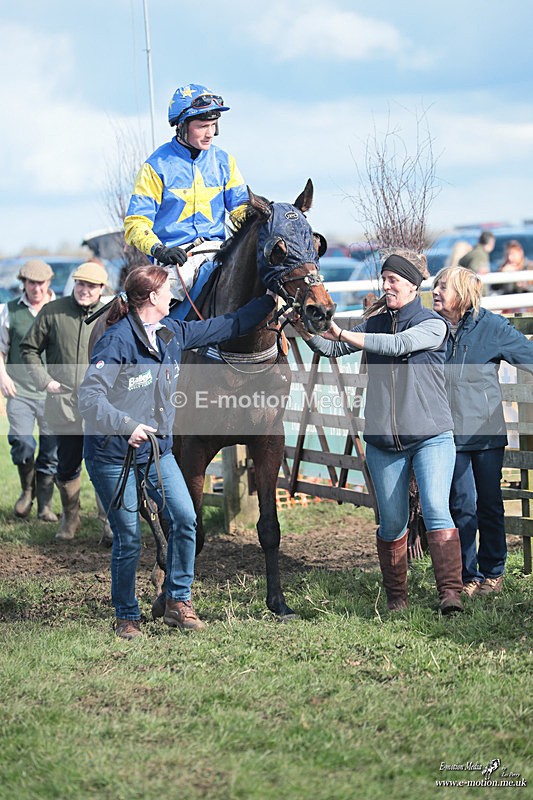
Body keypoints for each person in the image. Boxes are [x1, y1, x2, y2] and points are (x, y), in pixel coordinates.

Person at [78, 265, 276, 640]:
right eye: (168, 288)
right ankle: (127, 616)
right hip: (113, 454)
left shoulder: (172, 332)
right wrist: (126, 424)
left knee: (186, 519)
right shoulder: (117, 341)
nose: (174, 294)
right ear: (152, 296)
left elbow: (229, 325)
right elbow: (89, 397)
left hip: (157, 453)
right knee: (128, 538)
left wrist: (269, 299)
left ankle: (177, 601)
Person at [304, 252, 463, 614]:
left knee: (436, 509)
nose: (386, 285)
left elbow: (398, 345)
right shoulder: (375, 324)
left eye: (393, 280)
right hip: (383, 442)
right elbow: (331, 347)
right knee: (392, 523)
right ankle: (396, 599)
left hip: (431, 436)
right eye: (384, 279)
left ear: (412, 286)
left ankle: (450, 595)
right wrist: (305, 328)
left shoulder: (433, 324)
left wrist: (343, 331)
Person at [432, 266, 533, 596]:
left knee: (489, 504)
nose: (435, 291)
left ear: (462, 294)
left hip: (486, 433)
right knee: (462, 505)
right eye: (435, 285)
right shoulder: (430, 327)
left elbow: (529, 356)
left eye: (443, 287)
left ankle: (494, 572)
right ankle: (467, 575)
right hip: (448, 433)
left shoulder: (492, 327)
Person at [124, 83, 248, 305]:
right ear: (182, 126)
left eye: (213, 125)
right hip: (177, 259)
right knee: (153, 304)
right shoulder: (155, 166)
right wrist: (160, 250)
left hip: (219, 251)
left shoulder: (225, 162)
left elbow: (241, 209)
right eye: (202, 126)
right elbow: (136, 223)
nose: (210, 134)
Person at [20, 262, 111, 542]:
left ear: (101, 289)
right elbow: (29, 348)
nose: (84, 290)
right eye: (80, 284)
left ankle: (108, 522)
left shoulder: (111, 316)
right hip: (63, 404)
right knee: (67, 464)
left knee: (104, 463)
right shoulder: (53, 311)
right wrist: (45, 380)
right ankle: (71, 518)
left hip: (101, 406)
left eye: (91, 286)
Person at [0, 259, 58, 521]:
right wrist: (2, 376)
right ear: (23, 283)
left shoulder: (59, 309)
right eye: (32, 283)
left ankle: (45, 505)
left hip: (53, 392)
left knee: (51, 449)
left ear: (49, 282)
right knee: (22, 442)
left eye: (41, 283)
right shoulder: (9, 310)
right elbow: (1, 349)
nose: (37, 288)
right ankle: (27, 491)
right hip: (19, 390)